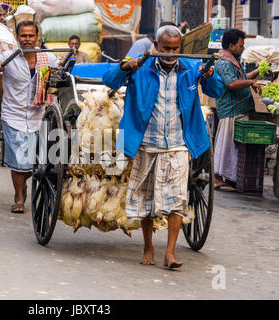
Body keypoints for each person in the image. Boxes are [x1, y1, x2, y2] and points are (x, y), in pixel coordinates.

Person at [103, 25, 223, 269]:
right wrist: (125, 67)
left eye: (175, 49)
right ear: (156, 46)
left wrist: (209, 75)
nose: (170, 53)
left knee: (177, 200)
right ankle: (148, 247)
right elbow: (109, 81)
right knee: (147, 201)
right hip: (147, 143)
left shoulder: (191, 68)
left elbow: (216, 90)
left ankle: (170, 252)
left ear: (181, 48)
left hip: (178, 144)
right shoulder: (142, 66)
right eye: (166, 48)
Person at [0, 20, 59, 214]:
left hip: (38, 115)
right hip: (13, 115)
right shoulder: (8, 57)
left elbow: (61, 74)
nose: (28, 40)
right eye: (24, 36)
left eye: (31, 36)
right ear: (17, 37)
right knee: (18, 161)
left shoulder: (48, 58)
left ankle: (23, 184)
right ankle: (19, 196)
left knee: (32, 162)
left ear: (37, 37)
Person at [213, 29, 260, 192]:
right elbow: (231, 84)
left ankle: (228, 177)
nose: (243, 47)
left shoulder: (233, 61)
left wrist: (257, 73)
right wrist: (251, 83)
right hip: (230, 111)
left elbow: (242, 79)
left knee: (232, 147)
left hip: (238, 109)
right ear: (231, 46)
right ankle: (217, 179)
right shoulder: (224, 62)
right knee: (226, 145)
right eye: (241, 45)